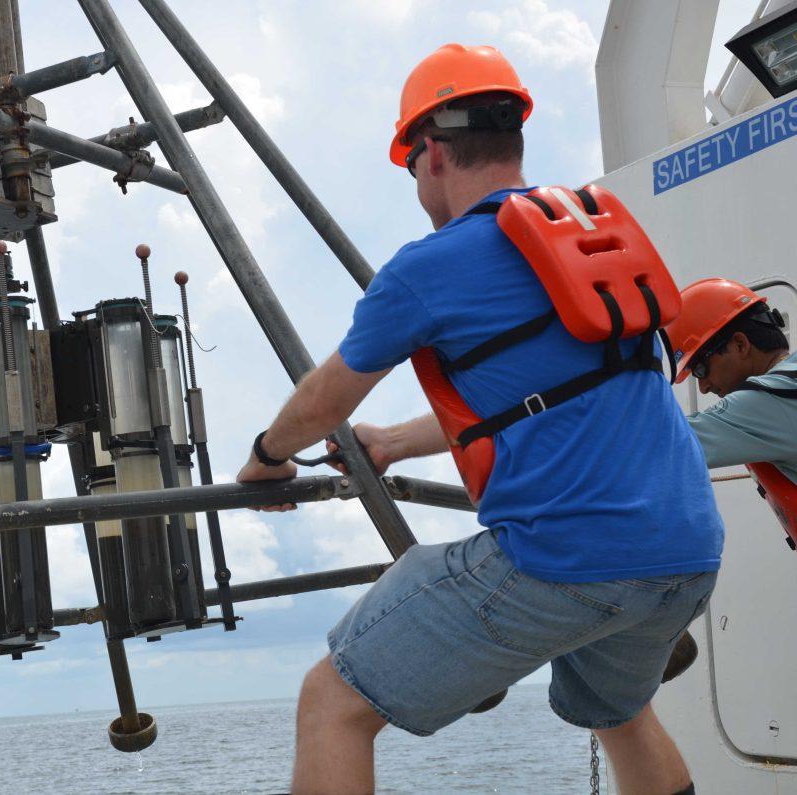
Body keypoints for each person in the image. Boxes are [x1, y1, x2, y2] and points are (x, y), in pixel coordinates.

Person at [237, 45, 722, 795]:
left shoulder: (430, 265)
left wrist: (267, 454)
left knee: (332, 701)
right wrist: (395, 441)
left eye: (411, 170)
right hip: (687, 550)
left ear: (431, 153)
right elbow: (554, 391)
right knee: (620, 713)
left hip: (568, 559)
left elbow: (324, 402)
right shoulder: (594, 233)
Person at [666, 278, 797, 529]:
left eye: (701, 369)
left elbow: (661, 446)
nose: (703, 387)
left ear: (740, 344)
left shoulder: (770, 400)